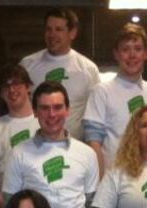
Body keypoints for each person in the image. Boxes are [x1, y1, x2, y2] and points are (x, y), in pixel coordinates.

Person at [83, 23, 147, 173]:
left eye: (138, 49)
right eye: (125, 49)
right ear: (116, 54)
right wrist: (101, 183)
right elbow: (94, 142)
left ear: (146, 53)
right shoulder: (101, 92)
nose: (132, 55)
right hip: (114, 180)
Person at [19, 8, 100, 140]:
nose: (52, 35)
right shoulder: (27, 65)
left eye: (58, 29)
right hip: (35, 146)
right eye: (48, 29)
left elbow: (94, 116)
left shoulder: (88, 69)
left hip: (74, 149)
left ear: (72, 33)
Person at [0, 65, 41, 190]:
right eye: (6, 86)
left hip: (42, 200)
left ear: (28, 87)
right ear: (1, 93)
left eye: (16, 84)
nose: (12, 90)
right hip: (6, 204)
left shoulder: (44, 122)